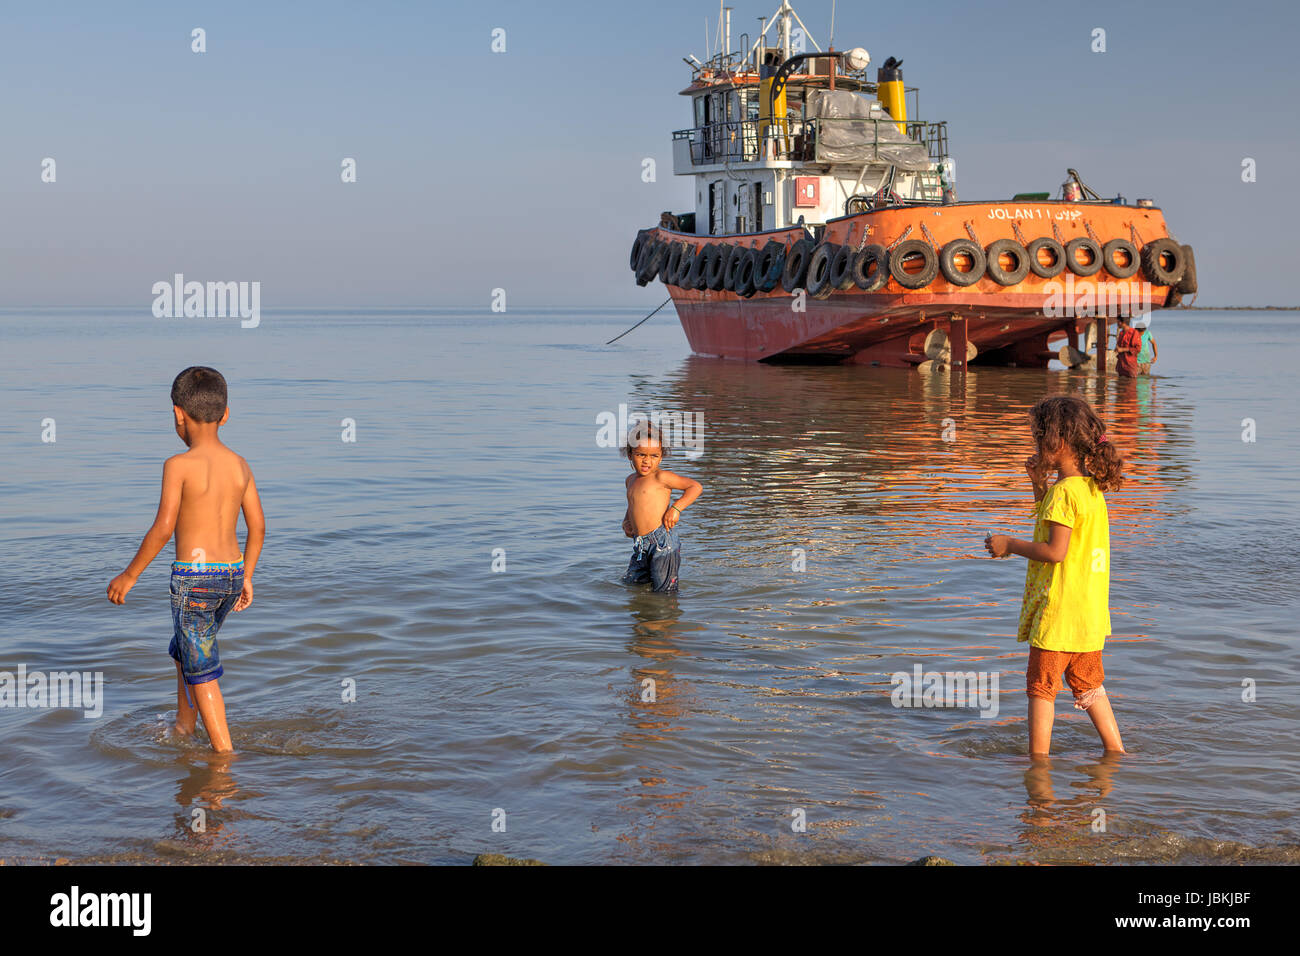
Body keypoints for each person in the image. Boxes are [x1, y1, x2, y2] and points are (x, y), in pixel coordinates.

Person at [107, 367, 265, 752]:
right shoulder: (240, 464)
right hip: (229, 575)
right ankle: (183, 725)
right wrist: (247, 575)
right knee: (187, 648)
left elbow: (163, 528)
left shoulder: (177, 465)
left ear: (178, 414)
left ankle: (224, 760)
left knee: (202, 671)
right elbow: (258, 527)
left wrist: (130, 575)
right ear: (226, 414)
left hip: (194, 580)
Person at [984, 395, 1126, 756]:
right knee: (1089, 685)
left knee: (1041, 686)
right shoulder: (1090, 489)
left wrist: (1008, 544)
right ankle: (1116, 752)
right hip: (1089, 616)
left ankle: (1039, 763)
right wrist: (1038, 484)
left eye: (1038, 437)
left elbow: (1054, 551)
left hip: (1058, 614)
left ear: (1057, 442)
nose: (1034, 443)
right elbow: (1059, 529)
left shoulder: (1063, 493)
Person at [621, 423, 702, 593]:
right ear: (630, 454)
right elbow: (633, 503)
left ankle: (665, 618)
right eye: (641, 454)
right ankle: (641, 617)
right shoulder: (630, 480)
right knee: (633, 585)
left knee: (665, 592)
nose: (647, 460)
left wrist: (676, 508)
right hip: (640, 543)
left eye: (654, 456)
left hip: (662, 542)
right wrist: (627, 520)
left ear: (661, 457)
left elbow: (695, 487)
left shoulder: (661, 477)